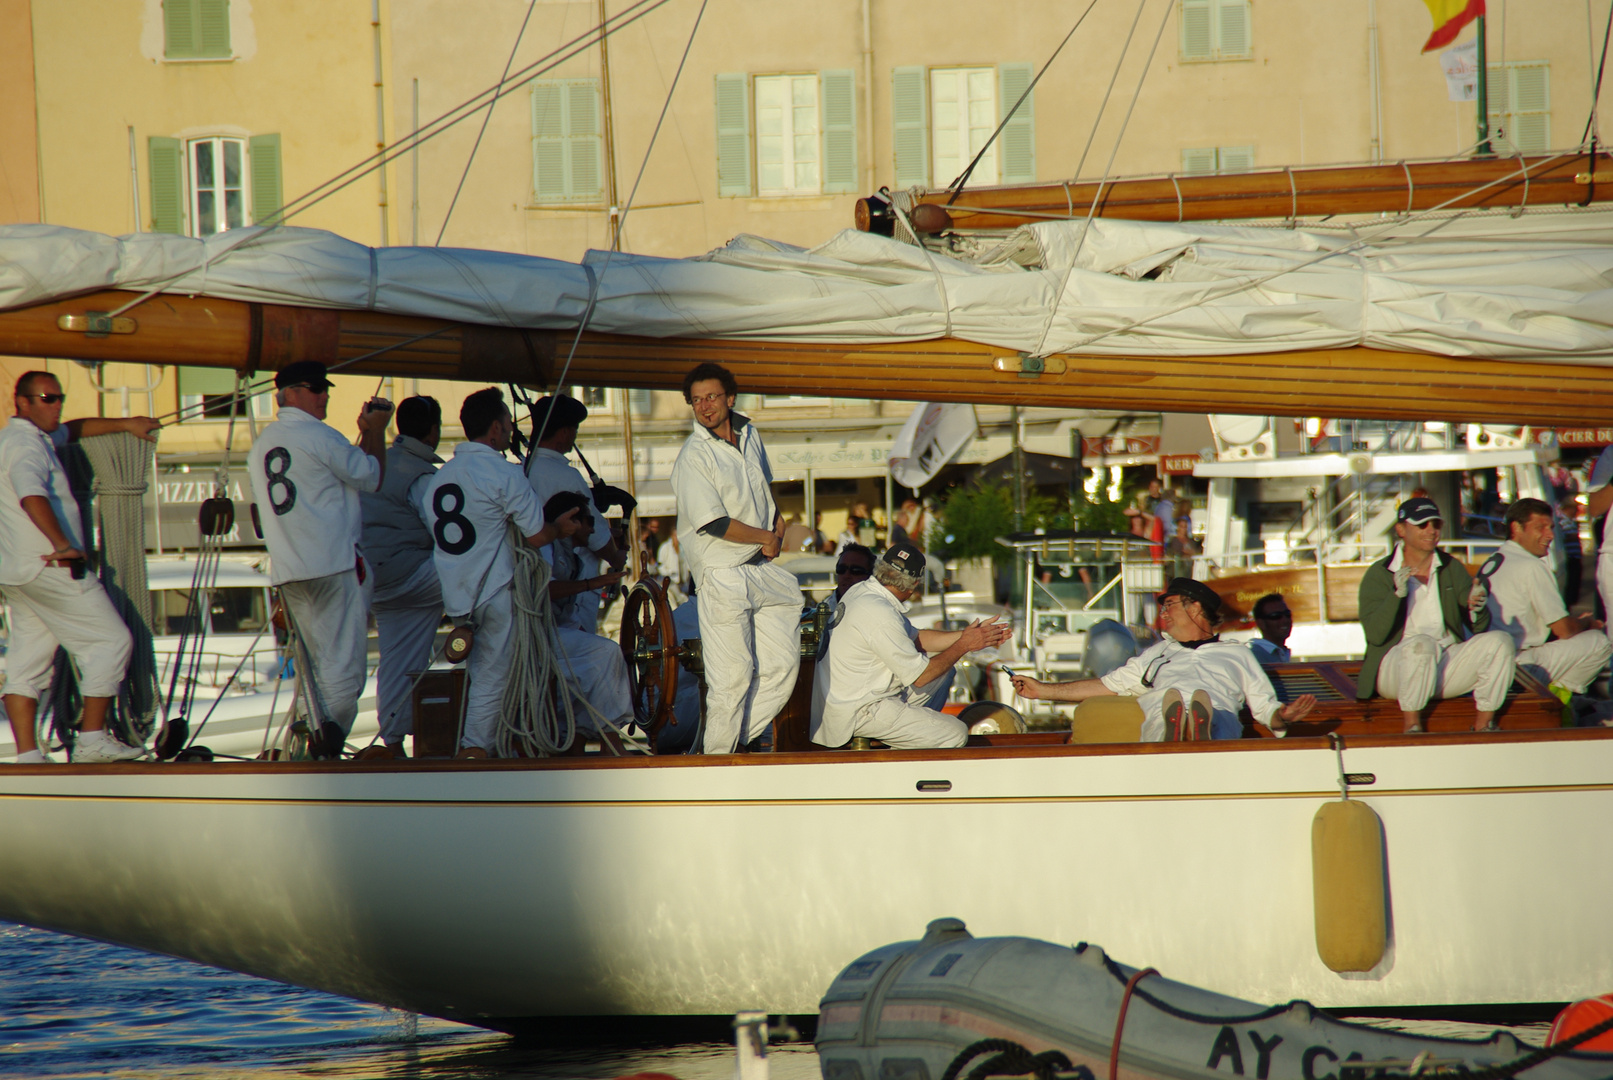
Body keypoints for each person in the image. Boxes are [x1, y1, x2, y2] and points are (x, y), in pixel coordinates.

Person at [0, 370, 158, 763]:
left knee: (28, 662)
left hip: (18, 572)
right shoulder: (27, 447)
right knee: (112, 641)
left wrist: (127, 425)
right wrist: (63, 545)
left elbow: (73, 429)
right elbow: (31, 494)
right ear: (22, 402)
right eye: (47, 399)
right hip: (52, 568)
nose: (56, 406)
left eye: (59, 397)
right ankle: (91, 740)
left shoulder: (21, 438)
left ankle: (29, 758)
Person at [423, 388, 583, 757]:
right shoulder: (502, 473)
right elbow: (538, 535)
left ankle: (494, 748)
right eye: (509, 423)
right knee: (493, 677)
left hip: (460, 596)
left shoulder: (439, 479)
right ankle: (475, 752)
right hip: (496, 590)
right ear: (495, 428)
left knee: (483, 673)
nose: (512, 430)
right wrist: (561, 529)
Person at [248, 361, 392, 758]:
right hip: (334, 568)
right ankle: (320, 753)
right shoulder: (321, 435)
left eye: (325, 388)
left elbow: (342, 474)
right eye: (316, 388)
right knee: (344, 675)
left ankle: (306, 746)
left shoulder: (261, 445)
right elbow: (371, 476)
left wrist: (363, 434)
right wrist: (376, 432)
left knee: (315, 670)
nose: (324, 394)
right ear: (290, 392)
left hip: (292, 573)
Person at [670, 362, 801, 753]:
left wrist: (778, 526)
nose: (705, 407)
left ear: (730, 397)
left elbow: (764, 488)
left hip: (760, 569)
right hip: (723, 572)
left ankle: (730, 745)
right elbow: (714, 522)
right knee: (733, 678)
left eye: (711, 397)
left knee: (782, 667)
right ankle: (716, 762)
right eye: (696, 401)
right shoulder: (693, 456)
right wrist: (766, 537)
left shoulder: (750, 433)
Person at [1012, 577, 1318, 740]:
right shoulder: (1157, 653)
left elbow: (1265, 707)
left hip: (1216, 716)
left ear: (1195, 609)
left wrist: (1283, 717)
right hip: (1165, 715)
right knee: (1164, 713)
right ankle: (1180, 728)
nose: (1163, 614)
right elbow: (1105, 685)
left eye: (1169, 605)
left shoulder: (1238, 654)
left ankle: (1198, 729)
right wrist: (1043, 690)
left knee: (1218, 716)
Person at [814, 543, 1011, 749]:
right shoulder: (879, 611)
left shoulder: (864, 593)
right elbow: (921, 678)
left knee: (944, 674)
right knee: (956, 733)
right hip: (859, 711)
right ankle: (899, 749)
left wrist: (971, 635)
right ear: (914, 585)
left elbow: (917, 639)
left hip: (852, 701)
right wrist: (964, 645)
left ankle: (907, 737)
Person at [1355, 497, 1516, 733]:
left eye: (1435, 524)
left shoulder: (1451, 567)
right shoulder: (1379, 574)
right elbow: (1376, 635)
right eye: (1422, 525)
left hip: (1443, 663)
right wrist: (1396, 595)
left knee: (1501, 642)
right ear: (1401, 529)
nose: (1431, 531)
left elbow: (1479, 628)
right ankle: (1412, 727)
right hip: (1395, 668)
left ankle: (1484, 726)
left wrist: (1477, 606)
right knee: (1421, 646)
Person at [358, 395, 444, 757]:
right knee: (489, 573)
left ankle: (393, 742)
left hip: (377, 584)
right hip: (412, 574)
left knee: (396, 657)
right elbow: (447, 534)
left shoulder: (377, 463)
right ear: (433, 431)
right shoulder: (421, 474)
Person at [1478, 498, 1611, 700]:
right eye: (1540, 527)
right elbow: (1563, 630)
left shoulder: (1493, 561)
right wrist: (1587, 623)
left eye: (1550, 527)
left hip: (1489, 663)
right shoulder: (1530, 565)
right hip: (1519, 665)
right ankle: (1561, 704)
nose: (1549, 535)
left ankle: (1560, 701)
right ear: (1516, 528)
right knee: (1599, 642)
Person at [523, 393, 625, 635]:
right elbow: (594, 534)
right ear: (565, 433)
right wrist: (616, 557)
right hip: (574, 589)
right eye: (574, 429)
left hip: (539, 586)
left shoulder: (525, 470)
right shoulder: (566, 476)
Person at [540, 491, 633, 750]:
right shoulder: (545, 547)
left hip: (560, 631)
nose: (594, 529)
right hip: (538, 633)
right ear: (572, 520)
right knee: (607, 652)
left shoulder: (574, 555)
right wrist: (591, 584)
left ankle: (577, 744)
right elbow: (542, 589)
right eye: (590, 521)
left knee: (594, 669)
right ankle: (611, 742)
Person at [1247, 593, 1293, 665]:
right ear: (1261, 623)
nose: (1285, 620)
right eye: (1276, 616)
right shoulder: (1254, 658)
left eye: (1287, 614)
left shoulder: (1283, 654)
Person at [1556, 497, 1584, 609]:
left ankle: (1570, 606)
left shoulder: (1570, 521)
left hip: (1575, 558)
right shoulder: (1561, 521)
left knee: (1574, 587)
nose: (1576, 511)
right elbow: (1561, 537)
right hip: (1570, 558)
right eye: (1575, 508)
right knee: (1569, 587)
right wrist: (1571, 537)